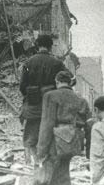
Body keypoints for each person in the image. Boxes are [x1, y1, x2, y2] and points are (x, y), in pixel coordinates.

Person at [36, 71, 85, 185]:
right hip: (71, 141)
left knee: (52, 175)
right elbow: (82, 122)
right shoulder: (79, 98)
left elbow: (47, 123)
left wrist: (41, 149)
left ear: (57, 82)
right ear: (70, 82)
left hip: (55, 141)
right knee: (63, 171)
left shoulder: (50, 96)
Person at [19, 34, 68, 166]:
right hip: (51, 107)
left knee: (31, 135)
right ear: (50, 46)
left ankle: (31, 163)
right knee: (50, 134)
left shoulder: (28, 63)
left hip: (33, 105)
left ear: (37, 45)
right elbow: (68, 81)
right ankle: (47, 163)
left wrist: (30, 96)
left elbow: (22, 86)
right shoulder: (57, 63)